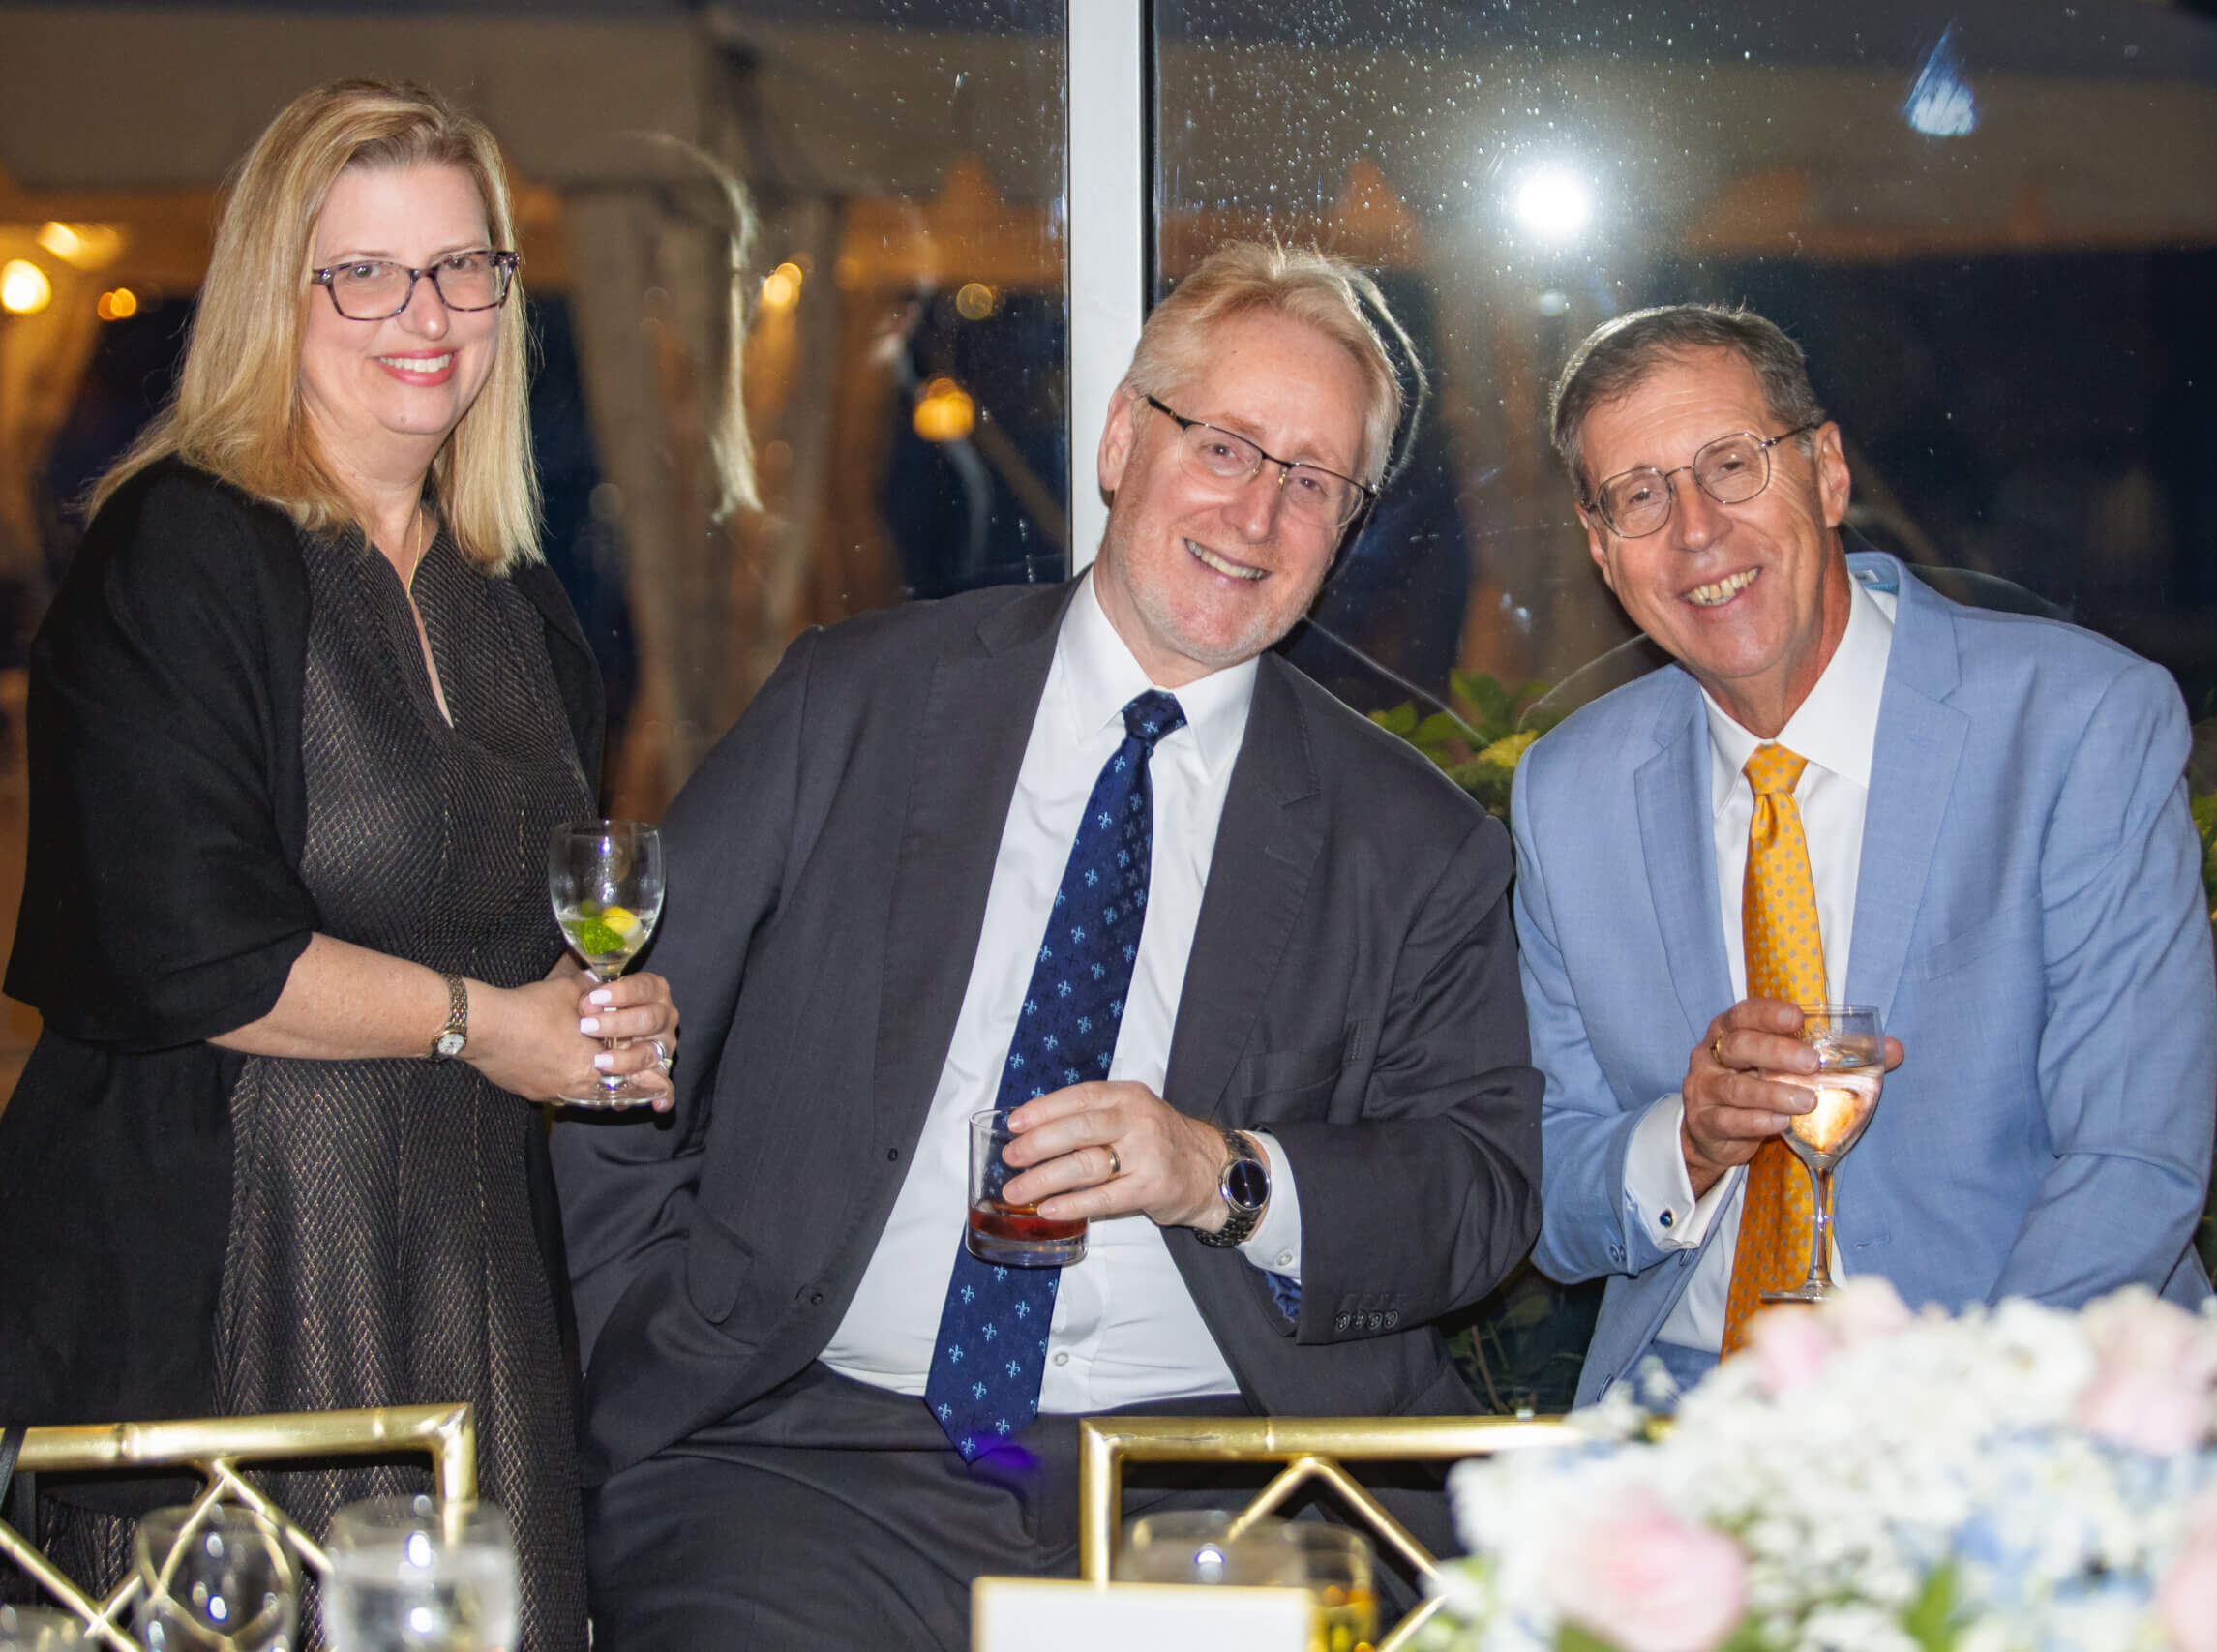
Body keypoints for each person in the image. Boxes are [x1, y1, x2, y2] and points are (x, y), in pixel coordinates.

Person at [553, 241, 1543, 1650]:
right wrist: (638, 1324)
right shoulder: (853, 707)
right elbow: (619, 1040)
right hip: (812, 1461)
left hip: (1230, 1471)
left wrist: (1222, 1174)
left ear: (1348, 524)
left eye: (1313, 479)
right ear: (1124, 438)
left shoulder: (1413, 841)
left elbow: (1480, 1189)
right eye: (1224, 446)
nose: (1257, 511)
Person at [0, 80, 676, 1651]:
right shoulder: (181, 548)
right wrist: (488, 1025)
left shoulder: (514, 597)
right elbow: (191, 950)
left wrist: (592, 1016)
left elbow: (512, 927)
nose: (425, 316)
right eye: (364, 273)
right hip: (231, 1275)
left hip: (471, 1270)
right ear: (276, 295)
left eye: (461, 267)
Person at [1512, 303, 2215, 1403]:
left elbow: (2133, 1164)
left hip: (2023, 1394)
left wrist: (1955, 1438)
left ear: (1828, 474)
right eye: (1640, 496)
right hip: (1687, 1413)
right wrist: (1687, 1141)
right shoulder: (1568, 793)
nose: (1695, 529)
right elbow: (1548, 1200)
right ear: (1602, 551)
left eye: (1731, 464)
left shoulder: (2077, 722)